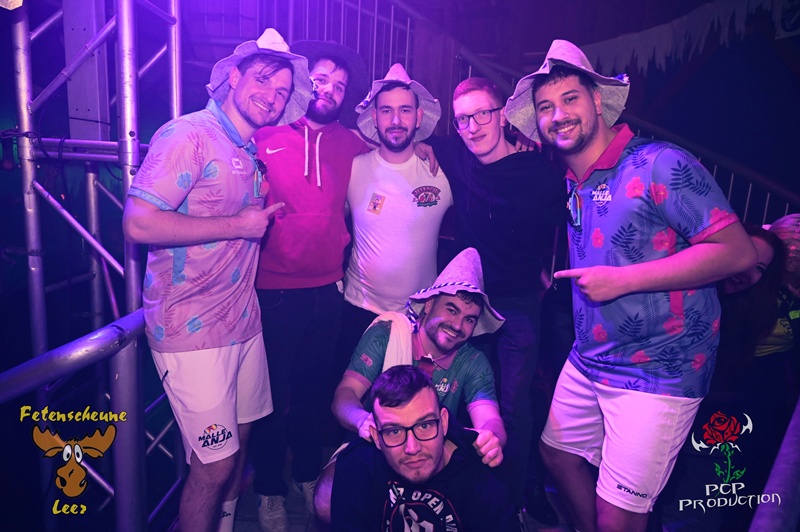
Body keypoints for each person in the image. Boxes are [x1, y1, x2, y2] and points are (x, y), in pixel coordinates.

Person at [504, 39, 757, 531]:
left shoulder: (660, 163)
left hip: (659, 369)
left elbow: (737, 252)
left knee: (619, 516)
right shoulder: (574, 179)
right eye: (546, 107)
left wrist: (622, 280)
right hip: (591, 356)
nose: (558, 115)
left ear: (597, 101)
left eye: (570, 99)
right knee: (556, 454)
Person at [122, 29, 311, 532]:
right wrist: (238, 226)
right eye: (263, 80)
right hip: (192, 329)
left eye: (282, 90)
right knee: (214, 465)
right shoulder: (189, 134)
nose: (272, 96)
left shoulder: (247, 149)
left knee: (240, 444)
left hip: (242, 323)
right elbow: (138, 224)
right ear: (234, 77)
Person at [425, 76, 565, 516]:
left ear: (502, 115)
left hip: (519, 304)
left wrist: (549, 275)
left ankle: (517, 493)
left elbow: (569, 224)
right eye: (462, 119)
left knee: (514, 403)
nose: (472, 126)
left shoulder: (539, 172)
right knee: (465, 396)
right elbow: (410, 138)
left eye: (482, 114)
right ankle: (467, 490)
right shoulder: (455, 157)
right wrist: (424, 149)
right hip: (469, 305)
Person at [247, 39, 371, 532]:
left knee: (314, 394)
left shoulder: (354, 146)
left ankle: (303, 475)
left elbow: (393, 159)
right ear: (303, 82)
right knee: (271, 398)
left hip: (328, 291)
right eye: (321, 79)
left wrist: (425, 147)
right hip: (272, 289)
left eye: (339, 85)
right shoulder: (265, 133)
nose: (329, 90)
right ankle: (268, 489)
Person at [315, 247, 507, 522]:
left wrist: (491, 438)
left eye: (469, 319)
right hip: (376, 446)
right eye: (451, 310)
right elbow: (344, 395)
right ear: (428, 305)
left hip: (434, 455)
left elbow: (490, 419)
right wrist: (362, 421)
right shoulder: (388, 334)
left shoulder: (473, 361)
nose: (457, 325)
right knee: (327, 503)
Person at [657, 224, 789, 530]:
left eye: (759, 268)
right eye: (746, 257)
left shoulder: (756, 308)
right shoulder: (683, 289)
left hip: (714, 402)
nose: (746, 271)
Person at [340, 63, 453, 364]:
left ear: (418, 117)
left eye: (405, 110)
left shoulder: (440, 172)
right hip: (358, 310)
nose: (396, 120)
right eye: (386, 111)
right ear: (374, 117)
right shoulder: (354, 168)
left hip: (418, 318)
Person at [330, 365, 519, 531]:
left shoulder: (481, 477)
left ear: (443, 422)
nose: (412, 448)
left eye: (424, 425)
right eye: (394, 431)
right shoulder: (357, 468)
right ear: (376, 437)